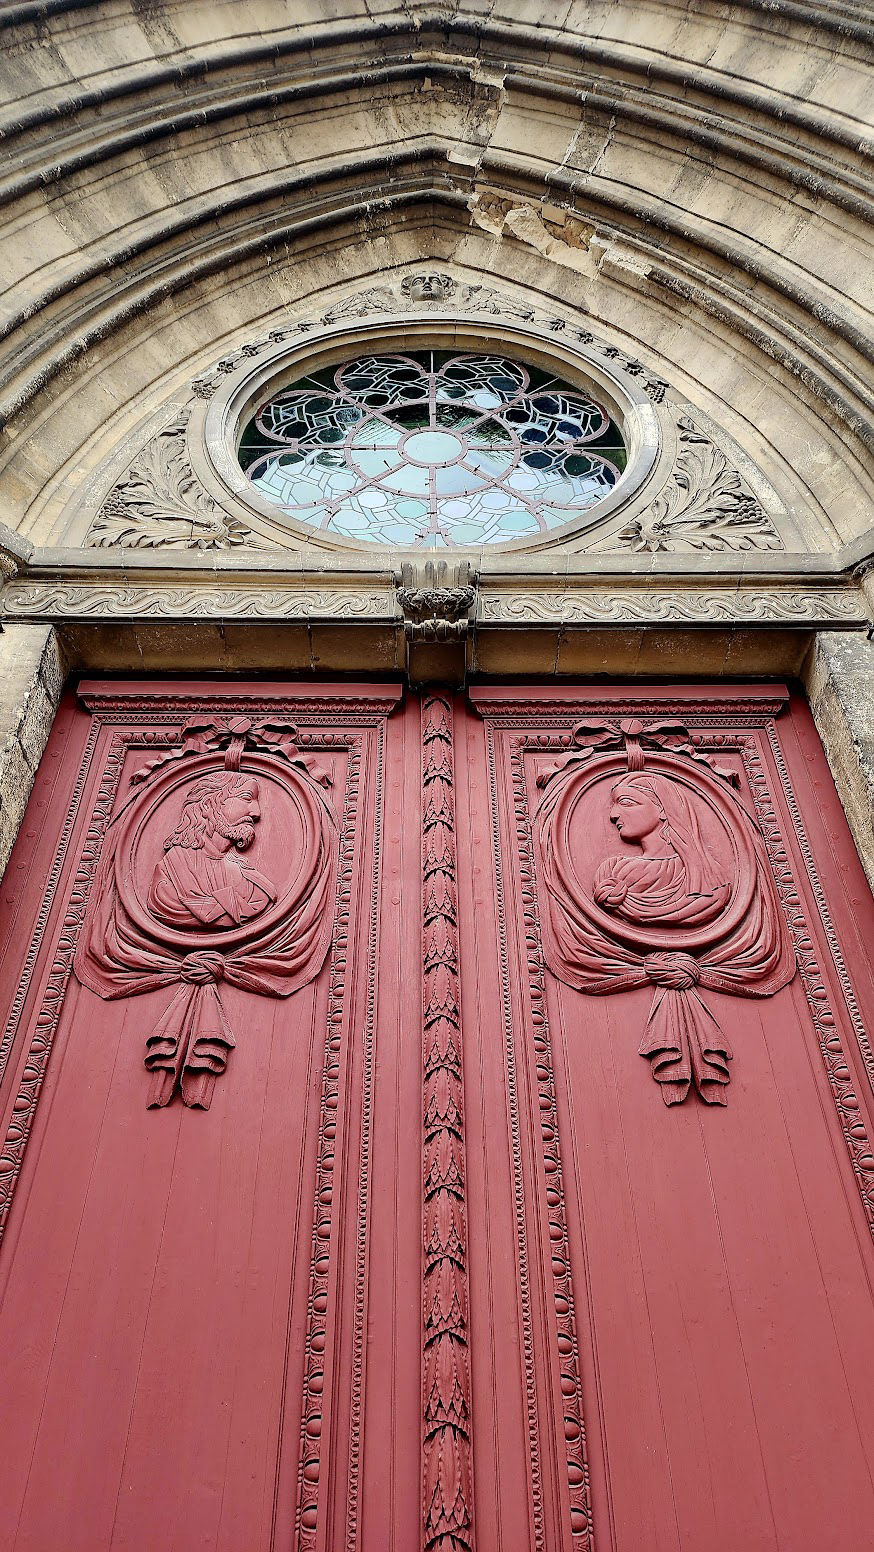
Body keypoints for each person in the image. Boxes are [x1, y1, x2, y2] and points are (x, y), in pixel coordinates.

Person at [593, 772, 730, 927]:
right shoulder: (612, 870)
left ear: (663, 808)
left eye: (626, 802)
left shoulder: (709, 881)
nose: (613, 815)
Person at [148, 771, 277, 930]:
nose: (256, 813)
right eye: (246, 798)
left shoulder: (249, 877)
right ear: (208, 805)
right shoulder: (171, 870)